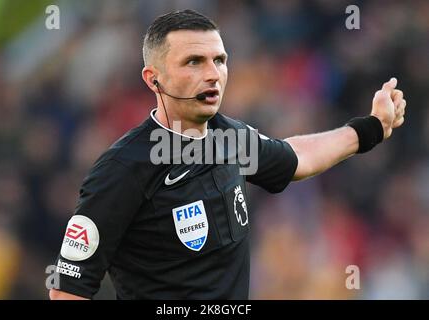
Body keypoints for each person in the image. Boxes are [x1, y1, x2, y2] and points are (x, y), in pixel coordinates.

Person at [49, 9, 406, 300]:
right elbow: (68, 291)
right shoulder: (123, 169)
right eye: (193, 62)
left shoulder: (230, 139)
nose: (212, 74)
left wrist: (370, 128)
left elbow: (296, 156)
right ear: (152, 78)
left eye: (219, 60)